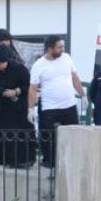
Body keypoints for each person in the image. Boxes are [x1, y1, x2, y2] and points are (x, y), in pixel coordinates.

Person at [28, 34, 84, 175]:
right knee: (48, 137)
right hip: (49, 107)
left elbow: (75, 77)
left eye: (63, 46)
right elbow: (33, 88)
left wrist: (83, 94)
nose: (62, 49)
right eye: (59, 47)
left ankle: (73, 162)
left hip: (69, 105)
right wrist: (30, 108)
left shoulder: (66, 58)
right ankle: (51, 164)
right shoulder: (38, 65)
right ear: (50, 48)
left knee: (73, 134)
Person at [0, 45, 37, 166]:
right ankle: (4, 159)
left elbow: (29, 87)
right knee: (2, 134)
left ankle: (22, 160)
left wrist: (15, 91)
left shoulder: (19, 69)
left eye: (0, 64)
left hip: (17, 108)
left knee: (19, 134)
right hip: (0, 107)